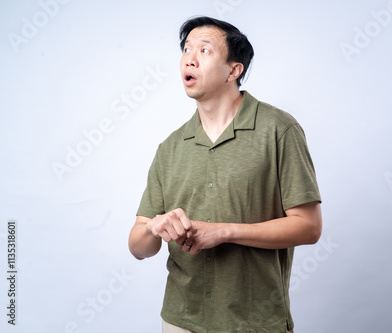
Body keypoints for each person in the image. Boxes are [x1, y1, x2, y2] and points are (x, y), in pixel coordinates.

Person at [128, 16, 322, 333]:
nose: (189, 57)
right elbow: (138, 247)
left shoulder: (278, 129)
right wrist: (154, 226)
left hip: (254, 322)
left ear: (234, 70)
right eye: (186, 49)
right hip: (180, 321)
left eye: (204, 50)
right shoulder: (170, 148)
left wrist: (223, 232)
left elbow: (309, 228)